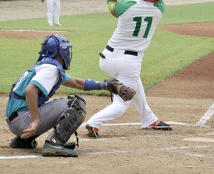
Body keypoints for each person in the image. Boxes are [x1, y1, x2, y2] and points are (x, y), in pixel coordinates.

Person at [5, 34, 135, 157]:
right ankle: (54, 144)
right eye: (65, 50)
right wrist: (36, 120)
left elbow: (76, 83)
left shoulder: (45, 66)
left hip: (16, 121)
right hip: (23, 122)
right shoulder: (51, 70)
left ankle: (22, 141)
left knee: (62, 104)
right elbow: (30, 91)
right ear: (59, 52)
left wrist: (105, 85)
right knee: (76, 103)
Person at [84, 0, 172, 138]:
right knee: (122, 102)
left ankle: (148, 118)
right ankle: (94, 122)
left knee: (135, 83)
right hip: (128, 61)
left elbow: (113, 5)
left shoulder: (126, 6)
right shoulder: (159, 8)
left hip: (107, 57)